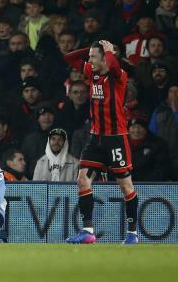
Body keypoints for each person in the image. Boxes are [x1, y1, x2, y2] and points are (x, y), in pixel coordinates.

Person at [64, 40, 139, 244]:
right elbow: (68, 58)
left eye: (93, 57)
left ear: (105, 58)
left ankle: (132, 233)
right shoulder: (91, 72)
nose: (89, 61)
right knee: (82, 180)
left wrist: (108, 51)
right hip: (95, 138)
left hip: (116, 139)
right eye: (89, 57)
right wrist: (89, 49)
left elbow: (114, 65)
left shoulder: (118, 76)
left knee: (125, 185)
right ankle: (88, 231)